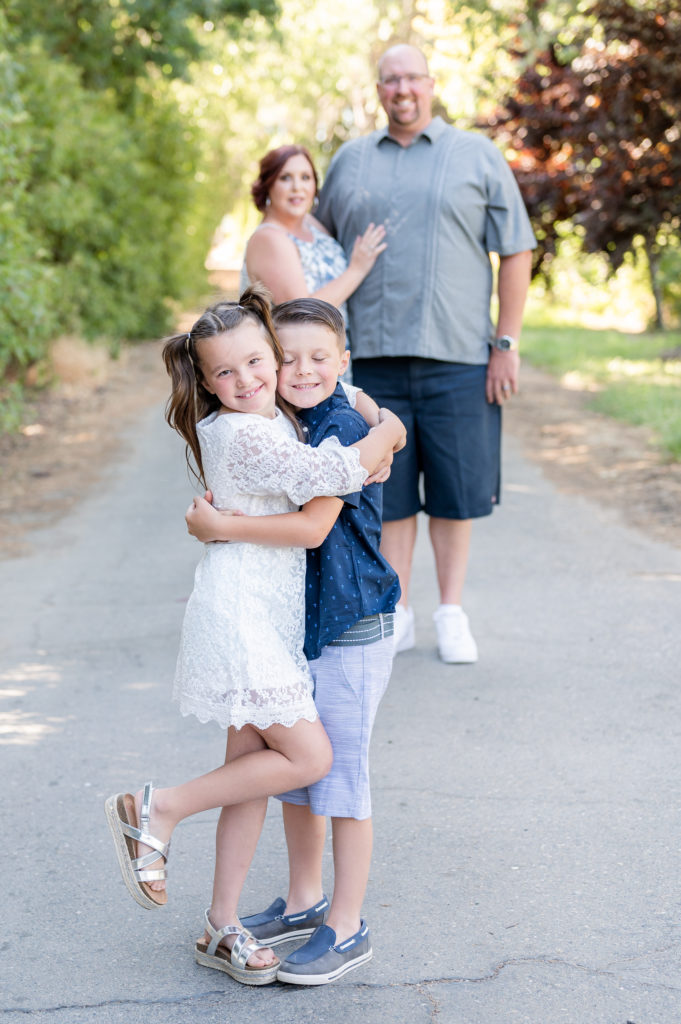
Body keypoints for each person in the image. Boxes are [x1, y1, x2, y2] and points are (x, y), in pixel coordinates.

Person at [104, 287, 405, 987]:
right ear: (205, 382)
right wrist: (386, 434)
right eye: (227, 372)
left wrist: (367, 410)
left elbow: (330, 385)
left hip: (261, 615)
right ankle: (160, 807)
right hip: (248, 617)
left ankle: (221, 923)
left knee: (248, 773)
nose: (250, 379)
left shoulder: (272, 416)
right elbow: (326, 487)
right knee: (307, 758)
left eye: (255, 362)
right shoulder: (253, 432)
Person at [185, 297, 400, 985]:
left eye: (317, 359)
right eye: (286, 358)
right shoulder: (294, 417)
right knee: (301, 783)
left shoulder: (335, 424)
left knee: (337, 779)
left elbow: (314, 525)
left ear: (341, 362)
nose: (295, 371)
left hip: (352, 622)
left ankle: (346, 924)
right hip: (306, 624)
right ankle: (307, 900)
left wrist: (385, 433)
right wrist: (381, 419)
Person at [316, 44, 537, 663]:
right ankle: (400, 612)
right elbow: (320, 249)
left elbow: (515, 249)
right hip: (372, 362)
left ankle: (451, 613)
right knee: (389, 494)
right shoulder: (351, 161)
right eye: (391, 80)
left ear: (431, 84)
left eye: (412, 77)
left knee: (455, 491)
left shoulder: (477, 155)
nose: (402, 89)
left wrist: (507, 343)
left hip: (460, 355)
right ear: (379, 89)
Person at [240, 144, 386, 333]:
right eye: (285, 178)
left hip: (330, 355)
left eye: (305, 178)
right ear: (268, 185)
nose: (297, 187)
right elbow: (301, 315)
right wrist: (356, 270)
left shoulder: (309, 224)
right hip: (296, 358)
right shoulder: (268, 239)